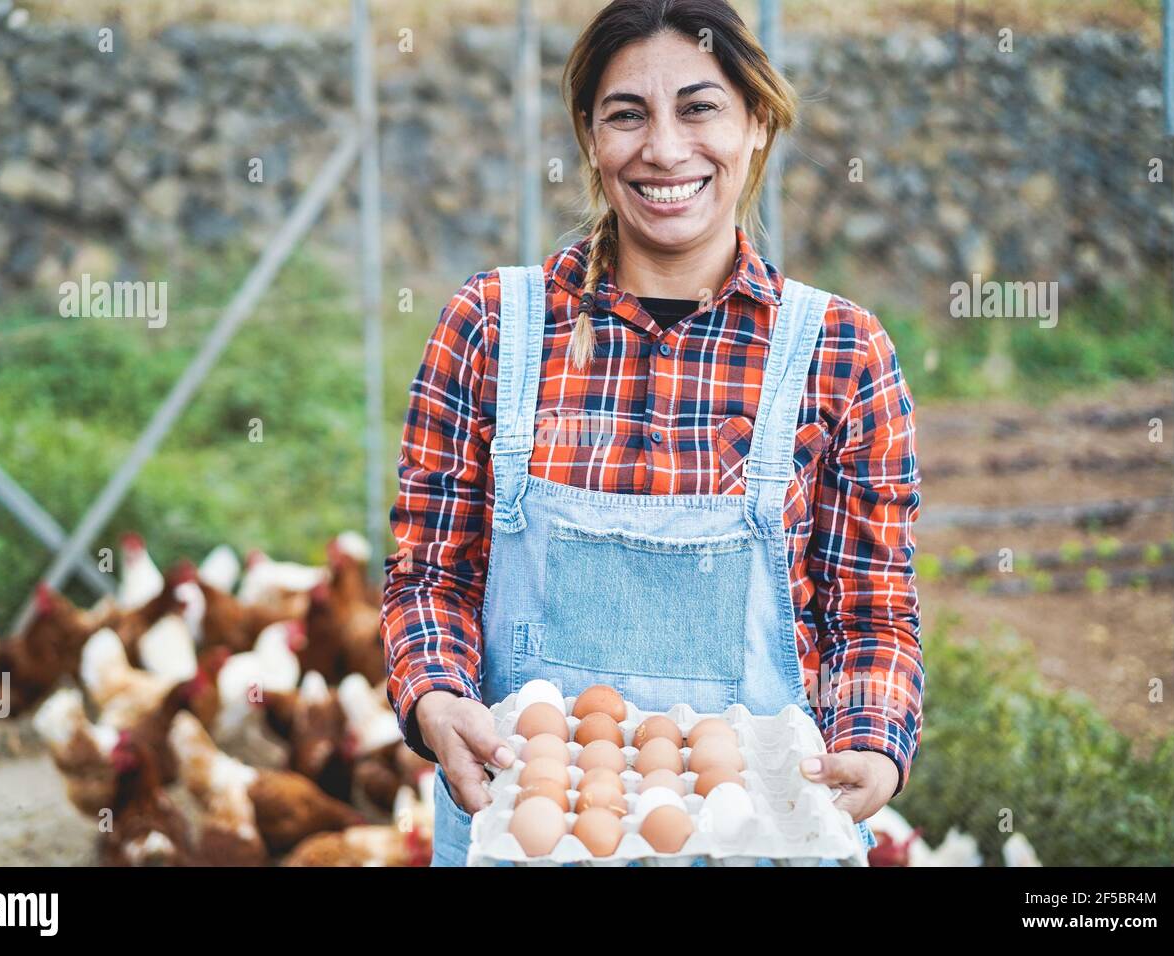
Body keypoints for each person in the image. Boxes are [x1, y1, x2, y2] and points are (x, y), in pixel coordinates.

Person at [381, 0, 923, 867]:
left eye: (700, 107)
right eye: (626, 113)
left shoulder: (841, 352)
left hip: (765, 840)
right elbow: (429, 578)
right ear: (591, 138)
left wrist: (872, 738)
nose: (664, 148)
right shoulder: (490, 327)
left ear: (757, 123)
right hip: (525, 827)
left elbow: (873, 613)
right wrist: (436, 699)